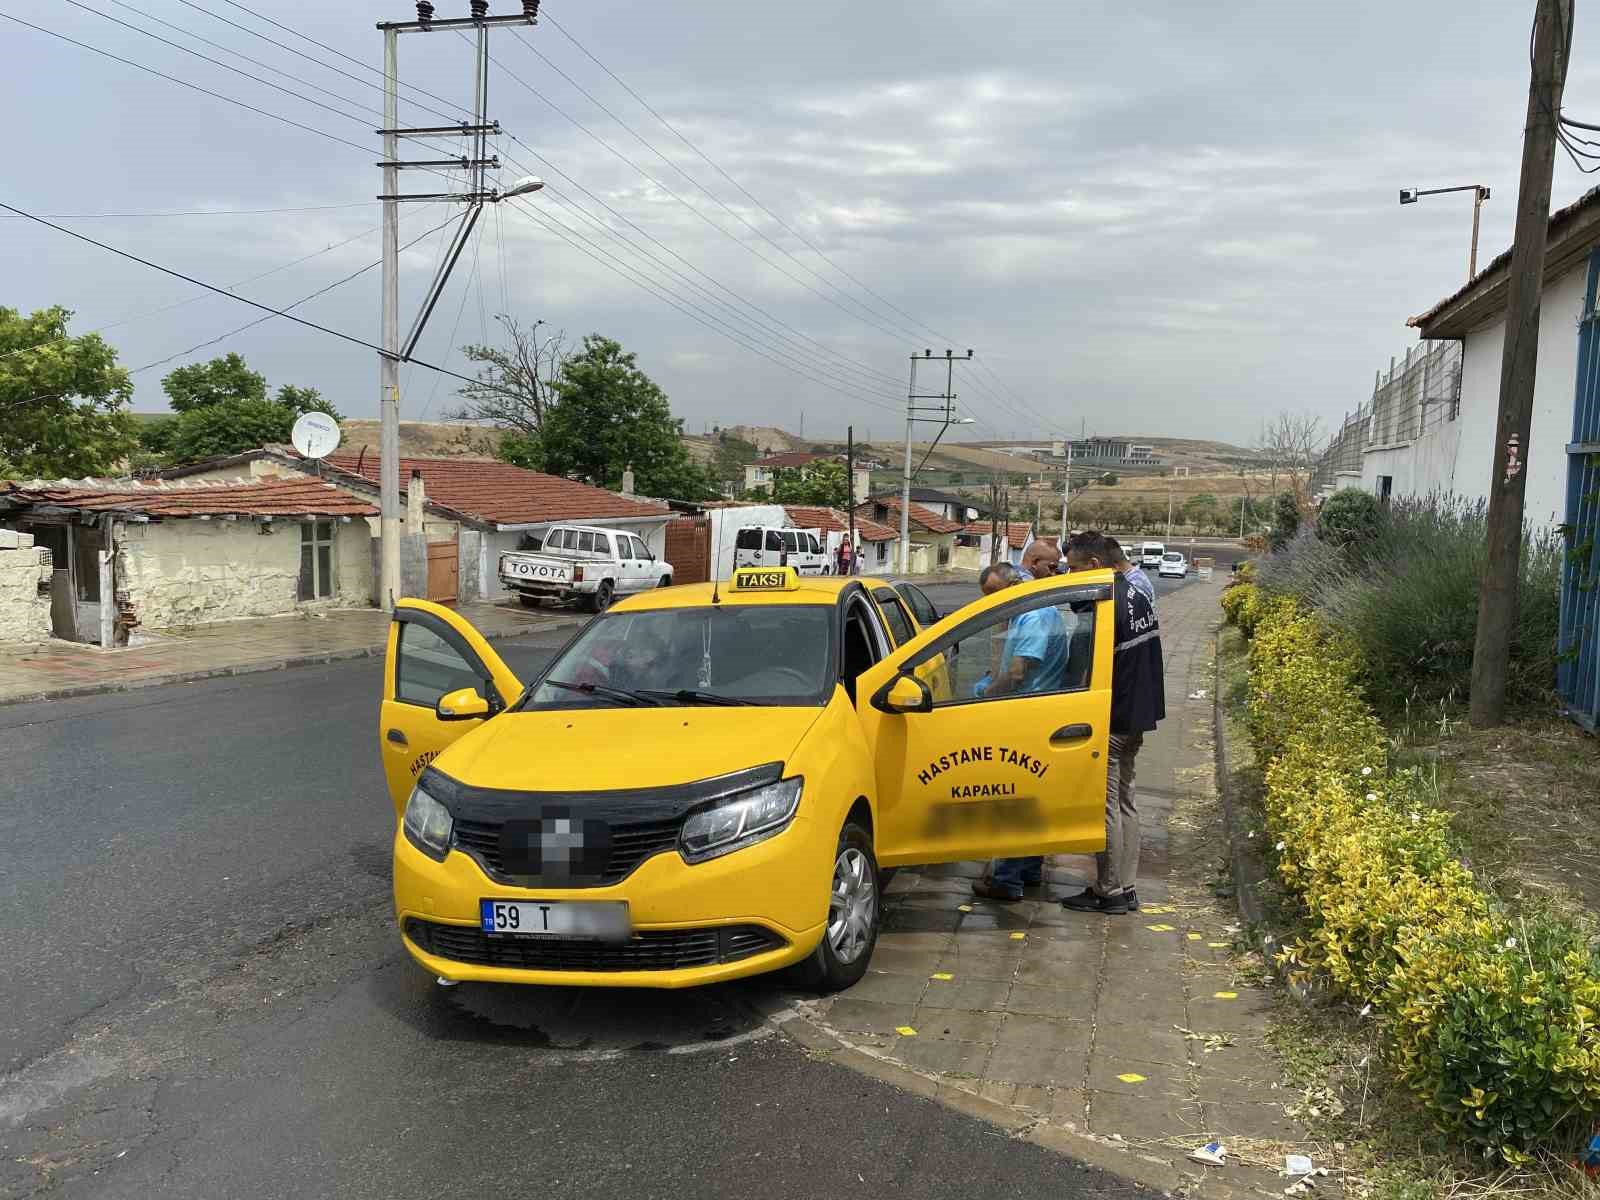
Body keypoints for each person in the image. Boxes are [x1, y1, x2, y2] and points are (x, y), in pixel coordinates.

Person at [1059, 531, 1165, 915]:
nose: (1070, 576)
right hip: (1138, 713)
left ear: (1093, 566)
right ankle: (1126, 884)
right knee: (1125, 801)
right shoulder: (1137, 593)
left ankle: (1109, 890)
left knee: (1105, 804)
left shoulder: (1108, 601)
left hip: (1114, 717)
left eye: (1073, 569)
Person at [970, 546, 1070, 902]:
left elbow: (1017, 672)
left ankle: (1008, 878)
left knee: (1015, 797)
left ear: (1013, 585)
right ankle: (1027, 869)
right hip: (1031, 706)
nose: (991, 605)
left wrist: (983, 694)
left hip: (1028, 711)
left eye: (994, 596)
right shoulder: (1022, 611)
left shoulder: (1033, 615)